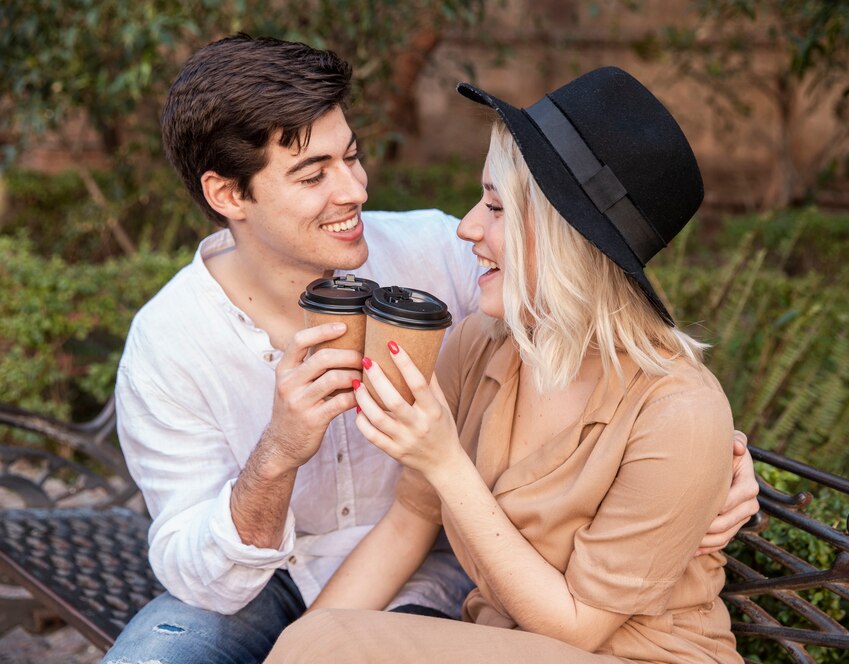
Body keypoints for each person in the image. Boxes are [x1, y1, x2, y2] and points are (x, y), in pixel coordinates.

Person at [104, 34, 758, 664]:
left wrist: (717, 468)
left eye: (352, 157)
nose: (356, 190)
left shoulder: (445, 270)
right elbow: (206, 569)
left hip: (478, 598)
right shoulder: (173, 343)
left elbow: (640, 370)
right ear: (227, 195)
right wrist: (278, 453)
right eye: (313, 174)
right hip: (274, 579)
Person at [266, 67, 747, 663]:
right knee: (317, 639)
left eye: (495, 207)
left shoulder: (678, 412)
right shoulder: (480, 348)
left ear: (567, 238)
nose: (467, 226)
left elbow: (578, 629)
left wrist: (446, 463)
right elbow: (405, 527)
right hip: (502, 644)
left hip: (634, 656)